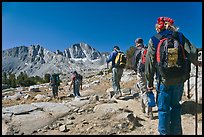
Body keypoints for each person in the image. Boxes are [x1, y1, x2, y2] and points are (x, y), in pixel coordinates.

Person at [145, 16, 202, 135]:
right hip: (179, 79)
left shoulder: (154, 39)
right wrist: (196, 62)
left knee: (163, 110)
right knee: (176, 107)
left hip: (163, 80)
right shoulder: (179, 36)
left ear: (158, 27)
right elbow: (192, 52)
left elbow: (149, 64)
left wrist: (149, 82)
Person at [132, 38, 154, 119]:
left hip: (141, 73)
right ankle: (143, 108)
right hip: (149, 73)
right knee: (148, 90)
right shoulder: (148, 49)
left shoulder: (137, 51)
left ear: (136, 43)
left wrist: (136, 71)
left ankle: (149, 111)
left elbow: (133, 64)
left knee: (143, 91)